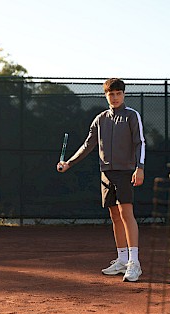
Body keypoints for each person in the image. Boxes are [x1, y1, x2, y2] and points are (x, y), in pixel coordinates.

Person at [57, 78, 146, 282]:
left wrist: (139, 168)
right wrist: (69, 163)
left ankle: (135, 262)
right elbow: (88, 145)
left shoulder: (132, 116)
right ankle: (122, 260)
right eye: (110, 94)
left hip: (125, 171)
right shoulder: (100, 119)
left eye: (118, 94)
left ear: (123, 94)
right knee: (115, 216)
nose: (114, 98)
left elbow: (140, 142)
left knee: (126, 214)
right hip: (106, 172)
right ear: (106, 95)